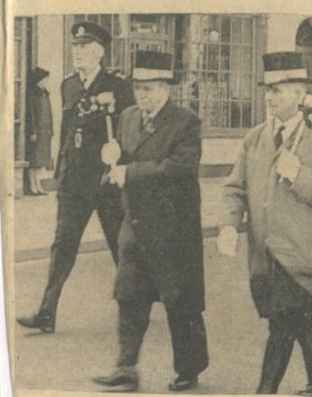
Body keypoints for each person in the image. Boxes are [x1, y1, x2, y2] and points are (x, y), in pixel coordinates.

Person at [220, 51, 312, 396]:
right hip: (266, 252)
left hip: (302, 252)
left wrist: (299, 174)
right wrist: (230, 224)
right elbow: (235, 188)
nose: (270, 97)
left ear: (298, 94)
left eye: (278, 90)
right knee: (294, 318)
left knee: (282, 321)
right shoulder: (255, 138)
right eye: (268, 90)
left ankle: (266, 390)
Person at [91, 50, 208, 393]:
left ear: (167, 88)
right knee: (129, 295)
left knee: (179, 301)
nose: (143, 94)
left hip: (173, 228)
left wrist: (130, 171)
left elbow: (180, 168)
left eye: (151, 88)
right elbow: (122, 162)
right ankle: (126, 368)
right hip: (136, 224)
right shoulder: (127, 117)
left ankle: (189, 369)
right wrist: (112, 160)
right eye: (139, 87)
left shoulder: (185, 122)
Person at [17, 21, 135, 334]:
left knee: (119, 245)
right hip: (74, 183)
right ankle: (46, 312)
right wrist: (61, 172)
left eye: (84, 48)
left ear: (99, 52)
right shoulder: (68, 85)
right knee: (63, 245)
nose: (77, 53)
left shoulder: (118, 85)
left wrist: (121, 159)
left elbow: (130, 130)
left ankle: (137, 301)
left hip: (105, 181)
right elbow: (68, 131)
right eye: (75, 47)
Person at [24, 67, 54, 195]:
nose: (46, 82)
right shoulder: (33, 94)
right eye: (44, 80)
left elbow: (49, 114)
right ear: (39, 81)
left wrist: (51, 130)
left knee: (41, 161)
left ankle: (38, 185)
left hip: (45, 132)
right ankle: (32, 185)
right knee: (34, 160)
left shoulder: (45, 93)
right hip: (37, 132)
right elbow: (31, 115)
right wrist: (33, 131)